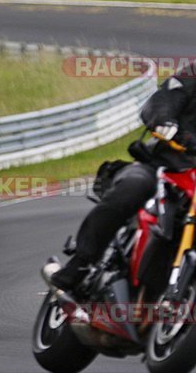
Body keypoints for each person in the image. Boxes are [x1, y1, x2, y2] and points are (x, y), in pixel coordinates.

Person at [50, 69, 196, 290]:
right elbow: (161, 102)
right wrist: (166, 123)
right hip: (164, 168)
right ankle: (81, 264)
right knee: (133, 186)